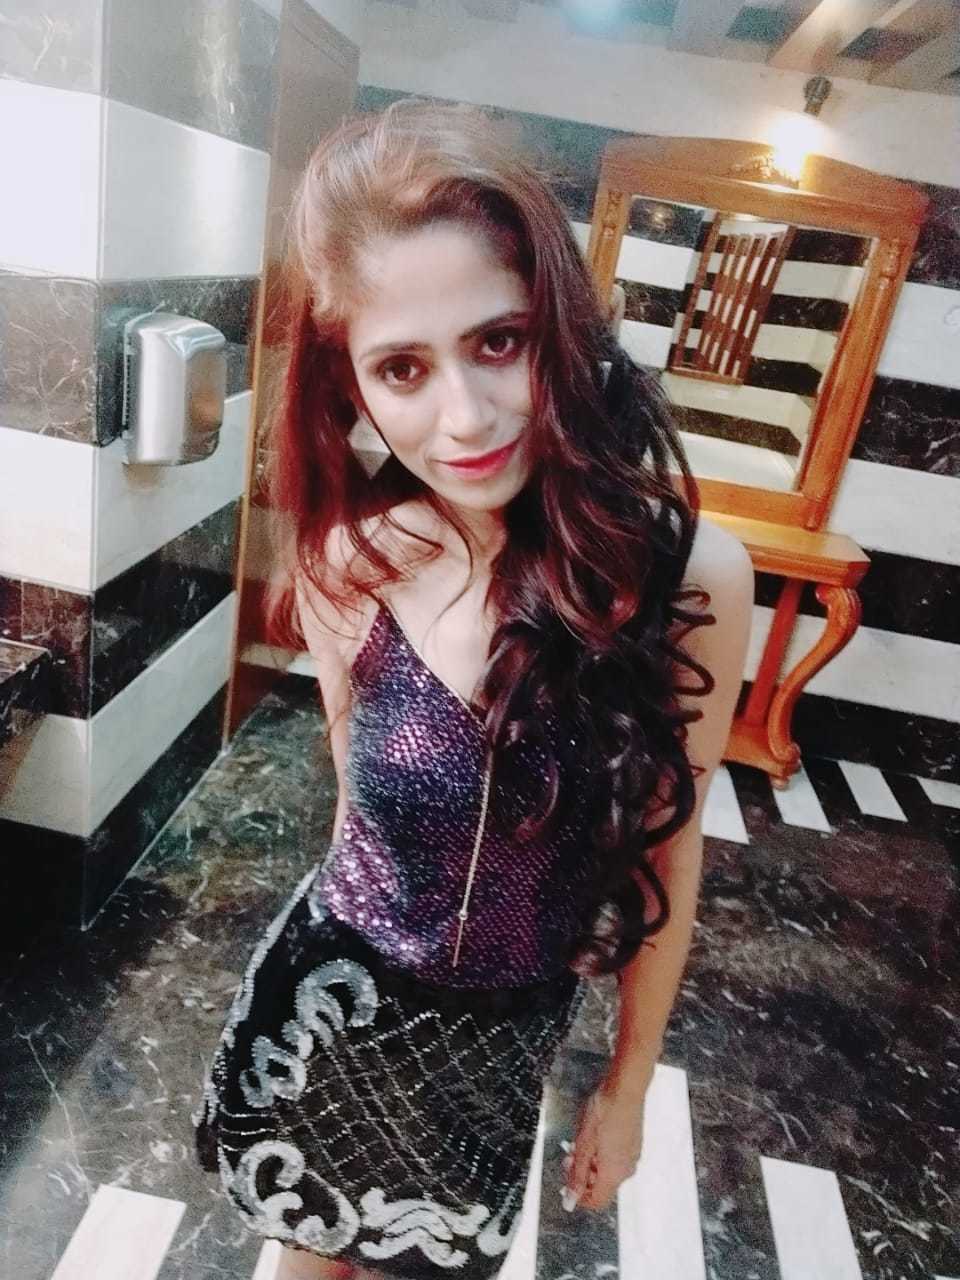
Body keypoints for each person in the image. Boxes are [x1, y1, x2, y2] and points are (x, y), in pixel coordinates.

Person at [193, 97, 753, 1280]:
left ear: (558, 325)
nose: (464, 415)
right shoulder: (355, 560)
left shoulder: (688, 577)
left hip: (495, 1056)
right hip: (329, 1011)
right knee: (300, 1261)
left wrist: (627, 1082)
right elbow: (356, 815)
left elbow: (672, 837)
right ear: (351, 385)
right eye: (402, 366)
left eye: (498, 340)